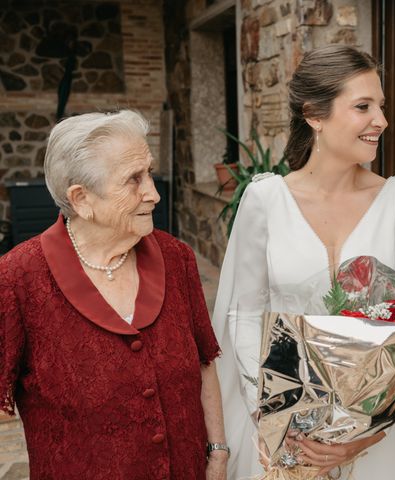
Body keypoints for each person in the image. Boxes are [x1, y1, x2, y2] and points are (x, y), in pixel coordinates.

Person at [212, 45, 395, 479]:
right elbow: (245, 313)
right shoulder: (265, 199)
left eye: (380, 106)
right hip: (280, 429)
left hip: (368, 433)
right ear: (314, 114)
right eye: (363, 106)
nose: (381, 121)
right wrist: (280, 412)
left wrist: (362, 431)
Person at [0, 110, 228, 479]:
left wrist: (217, 454)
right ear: (81, 199)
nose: (153, 193)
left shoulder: (177, 258)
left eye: (149, 173)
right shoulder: (17, 280)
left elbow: (204, 361)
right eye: (133, 180)